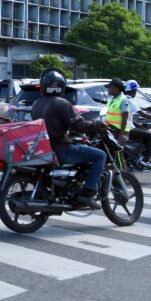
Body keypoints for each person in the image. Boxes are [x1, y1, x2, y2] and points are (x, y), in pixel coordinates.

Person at [31, 68, 106, 209]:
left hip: (45, 149)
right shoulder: (62, 103)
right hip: (61, 149)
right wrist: (97, 123)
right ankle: (88, 192)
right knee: (100, 156)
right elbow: (80, 125)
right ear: (61, 86)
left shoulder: (36, 104)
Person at [123, 79, 151, 167]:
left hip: (124, 128)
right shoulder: (129, 100)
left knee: (145, 131)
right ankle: (147, 159)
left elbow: (125, 117)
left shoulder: (121, 99)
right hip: (128, 130)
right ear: (134, 91)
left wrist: (136, 124)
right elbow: (143, 114)